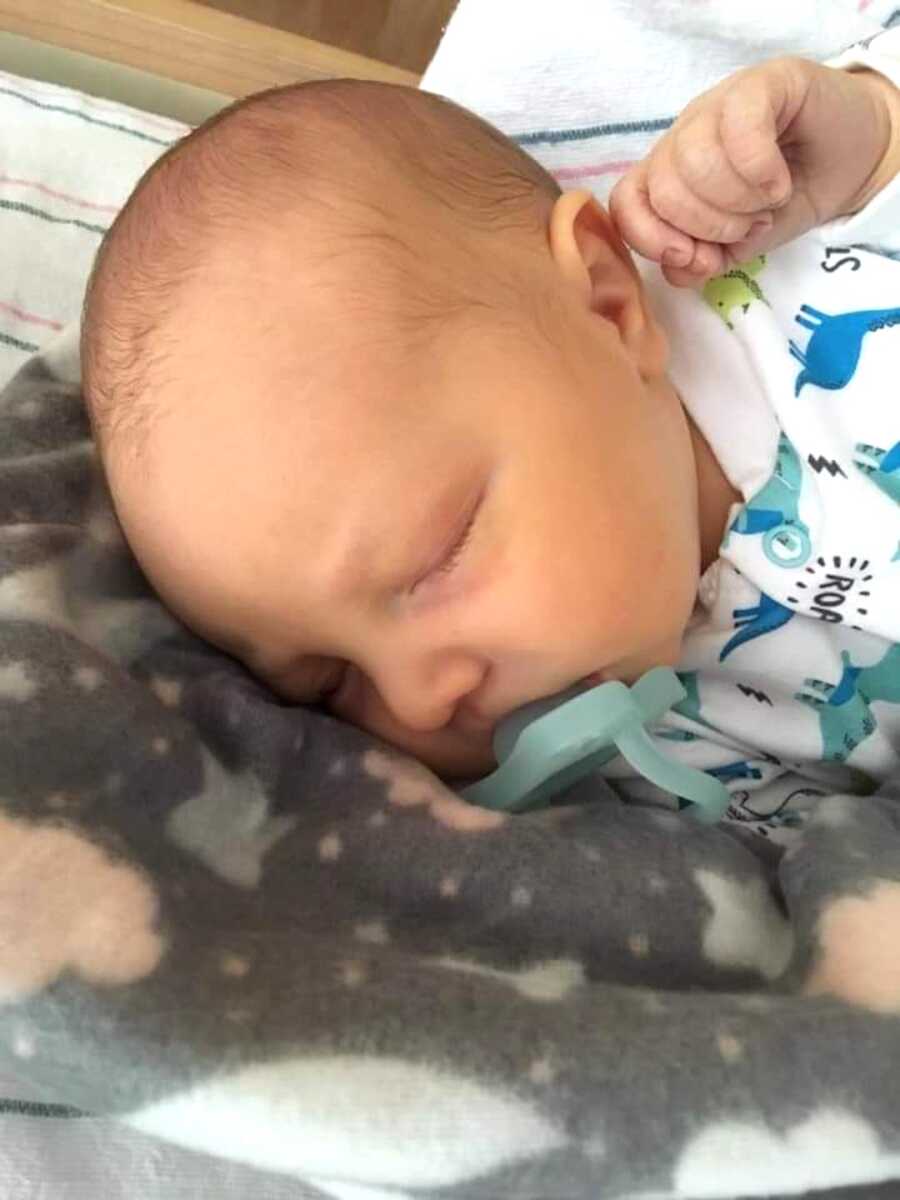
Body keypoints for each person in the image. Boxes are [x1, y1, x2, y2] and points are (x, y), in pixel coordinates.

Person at [80, 33, 900, 846]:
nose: (416, 704)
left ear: (609, 306)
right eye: (332, 684)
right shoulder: (639, 767)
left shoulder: (811, 305)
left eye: (441, 554)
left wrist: (875, 127)